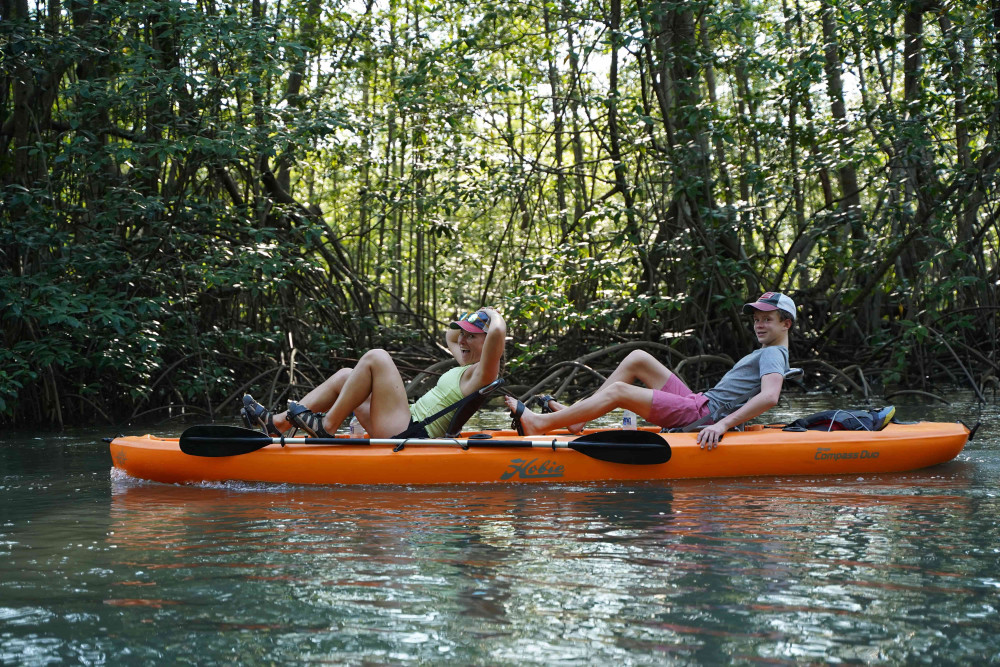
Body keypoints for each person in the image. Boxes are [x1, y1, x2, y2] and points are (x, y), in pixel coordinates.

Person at [505, 292, 796, 450]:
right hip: (700, 403)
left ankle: (541, 424)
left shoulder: (773, 353)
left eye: (767, 319)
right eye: (756, 319)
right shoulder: (769, 351)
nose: (759, 325)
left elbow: (770, 396)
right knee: (638, 358)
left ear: (786, 324)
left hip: (704, 414)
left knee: (620, 392)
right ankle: (576, 419)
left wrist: (721, 426)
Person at [243, 308, 507, 439]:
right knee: (347, 375)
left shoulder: (482, 374)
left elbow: (496, 332)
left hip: (412, 433)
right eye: (463, 334)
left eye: (471, 336)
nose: (462, 340)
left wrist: (493, 314)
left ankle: (326, 426)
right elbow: (450, 334)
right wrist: (476, 317)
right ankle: (278, 424)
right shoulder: (465, 364)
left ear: (488, 344)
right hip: (403, 422)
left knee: (377, 357)